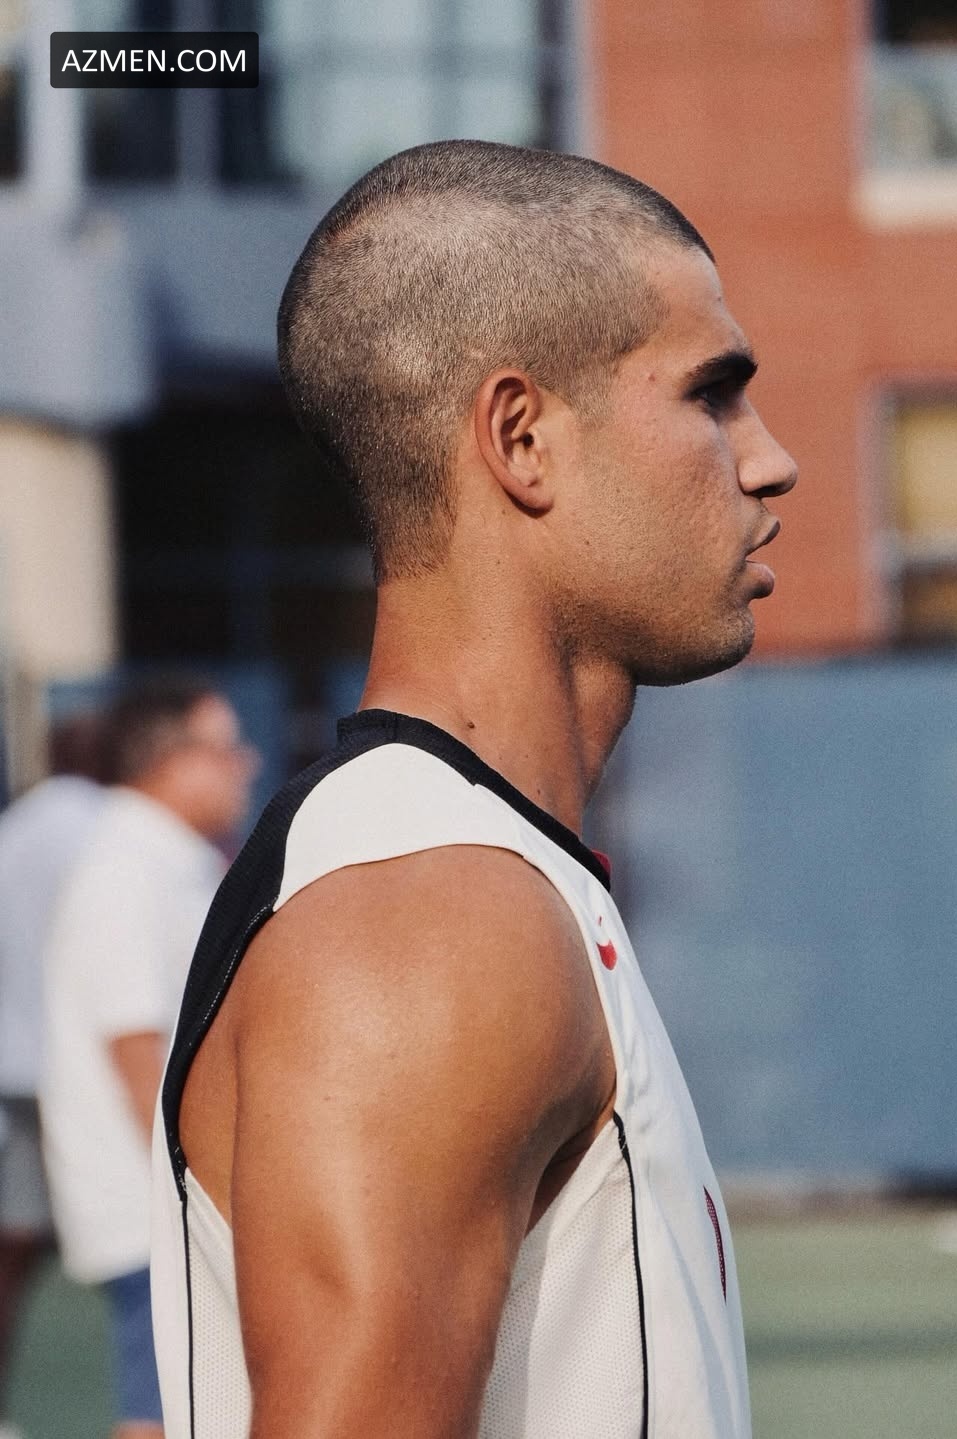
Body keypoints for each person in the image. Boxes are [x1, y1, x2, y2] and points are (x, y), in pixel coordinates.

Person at [151, 140, 797, 1439]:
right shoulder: (435, 914)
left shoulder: (476, 876)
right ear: (521, 438)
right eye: (713, 393)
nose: (769, 459)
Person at [41, 677, 257, 1439]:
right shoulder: (125, 871)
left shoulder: (167, 861)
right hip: (156, 1203)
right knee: (166, 1407)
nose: (247, 762)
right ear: (169, 757)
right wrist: (201, 1192)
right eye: (225, 747)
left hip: (175, 1192)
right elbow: (137, 1050)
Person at [0, 714, 106, 1439]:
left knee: (15, 1241)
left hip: (15, 1060)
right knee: (132, 1244)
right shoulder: (105, 831)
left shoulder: (16, 828)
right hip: (78, 1067)